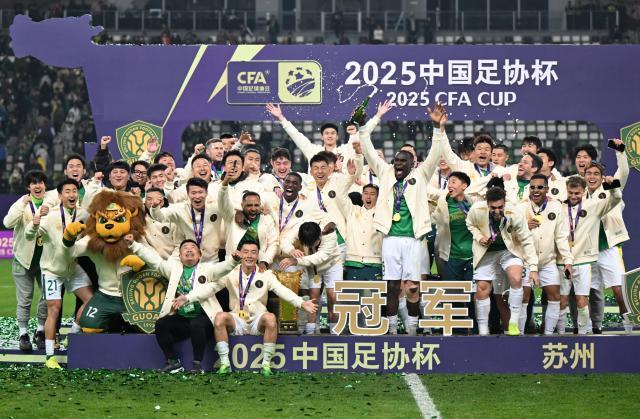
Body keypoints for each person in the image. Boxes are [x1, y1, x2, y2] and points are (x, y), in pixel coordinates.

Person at [357, 100, 442, 334]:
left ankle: (412, 330)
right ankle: (393, 330)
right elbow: (368, 151)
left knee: (412, 287)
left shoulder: (421, 175)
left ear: (413, 163)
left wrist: (437, 128)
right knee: (392, 287)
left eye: (403, 161)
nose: (398, 165)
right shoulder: (385, 173)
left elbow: (435, 154)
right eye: (396, 161)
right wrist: (363, 129)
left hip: (414, 239)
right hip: (391, 238)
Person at [125, 237, 240, 373]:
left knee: (196, 324)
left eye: (193, 247)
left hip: (204, 317)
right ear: (179, 256)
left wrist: (233, 261)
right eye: (185, 248)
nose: (189, 249)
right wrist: (134, 245)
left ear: (199, 255)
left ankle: (197, 365)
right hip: (183, 318)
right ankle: (173, 362)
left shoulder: (207, 269)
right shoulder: (173, 270)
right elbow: (154, 261)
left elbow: (221, 269)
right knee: (161, 324)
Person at [206, 241, 317, 375]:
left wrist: (301, 303)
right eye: (246, 252)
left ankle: (266, 364)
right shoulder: (230, 273)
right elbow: (211, 278)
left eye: (253, 252)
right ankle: (225, 363)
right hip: (237, 319)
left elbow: (281, 290)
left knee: (270, 318)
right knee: (220, 317)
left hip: (257, 320)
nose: (249, 255)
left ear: (258, 255)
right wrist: (189, 298)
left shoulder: (266, 274)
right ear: (240, 254)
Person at [25, 179, 93, 369]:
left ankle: (72, 333)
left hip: (72, 267)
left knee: (91, 301)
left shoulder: (84, 214)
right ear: (60, 195)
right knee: (54, 309)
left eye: (74, 191)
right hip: (52, 270)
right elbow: (29, 236)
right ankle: (50, 357)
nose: (72, 194)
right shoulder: (50, 215)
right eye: (67, 191)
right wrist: (33, 224)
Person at [466, 187, 539, 336]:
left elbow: (526, 239)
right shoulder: (476, 209)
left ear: (505, 203)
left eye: (500, 207)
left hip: (509, 251)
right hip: (486, 253)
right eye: (493, 208)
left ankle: (513, 322)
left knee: (516, 278)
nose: (497, 211)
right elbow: (470, 224)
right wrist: (479, 237)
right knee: (482, 288)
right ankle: (483, 331)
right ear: (487, 203)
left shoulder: (514, 213)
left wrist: (533, 267)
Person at [560, 175, 622, 334]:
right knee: (562, 299)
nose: (573, 196)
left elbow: (615, 200)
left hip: (584, 259)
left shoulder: (594, 206)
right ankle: (557, 334)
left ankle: (584, 332)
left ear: (584, 191)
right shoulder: (559, 207)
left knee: (583, 298)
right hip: (563, 259)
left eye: (577, 193)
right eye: (570, 193)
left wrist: (613, 188)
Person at [582, 150, 632, 334]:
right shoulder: (580, 195)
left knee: (619, 289)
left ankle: (628, 325)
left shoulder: (611, 188)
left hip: (609, 248)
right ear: (584, 176)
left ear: (602, 177)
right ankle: (589, 327)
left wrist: (620, 152)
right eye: (589, 173)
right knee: (588, 291)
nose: (592, 176)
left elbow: (624, 171)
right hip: (588, 250)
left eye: (596, 174)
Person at [517, 174, 573, 335]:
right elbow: (510, 233)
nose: (536, 190)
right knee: (523, 297)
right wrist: (524, 226)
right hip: (526, 262)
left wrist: (568, 261)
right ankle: (520, 335)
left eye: (540, 187)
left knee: (555, 297)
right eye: (532, 187)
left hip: (548, 262)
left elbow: (561, 237)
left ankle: (548, 334)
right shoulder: (520, 207)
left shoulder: (556, 207)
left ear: (547, 189)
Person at [2, 170, 48, 351]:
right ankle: (23, 334)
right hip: (23, 259)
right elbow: (7, 223)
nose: (37, 185)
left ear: (45, 185)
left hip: (46, 260)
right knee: (25, 299)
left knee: (46, 297)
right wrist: (23, 204)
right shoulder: (21, 203)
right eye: (33, 183)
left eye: (40, 182)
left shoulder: (51, 202)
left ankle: (40, 331)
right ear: (28, 187)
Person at [280, 222, 342, 334]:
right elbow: (285, 240)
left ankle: (335, 332)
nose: (310, 247)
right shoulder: (301, 230)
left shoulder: (330, 235)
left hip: (332, 265)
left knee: (333, 297)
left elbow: (320, 257)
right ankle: (310, 332)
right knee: (313, 297)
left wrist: (296, 260)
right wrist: (291, 250)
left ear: (319, 236)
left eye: (313, 244)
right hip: (313, 268)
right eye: (307, 245)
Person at [266, 103, 355, 173]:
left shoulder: (344, 150)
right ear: (322, 137)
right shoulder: (314, 151)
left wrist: (354, 121)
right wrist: (281, 118)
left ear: (337, 136)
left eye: (333, 133)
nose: (330, 136)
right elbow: (296, 135)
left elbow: (356, 142)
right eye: (327, 133)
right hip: (315, 190)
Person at [150, 177, 223, 263]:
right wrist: (155, 207)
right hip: (188, 260)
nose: (197, 196)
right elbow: (160, 217)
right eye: (193, 193)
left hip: (212, 260)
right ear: (188, 194)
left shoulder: (215, 208)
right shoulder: (180, 209)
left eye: (200, 192)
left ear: (206, 193)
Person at [218, 173, 278, 270]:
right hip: (233, 267)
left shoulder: (267, 219)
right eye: (249, 205)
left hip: (257, 267)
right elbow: (222, 202)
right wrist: (225, 184)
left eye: (256, 205)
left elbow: (273, 243)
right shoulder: (231, 216)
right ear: (242, 205)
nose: (253, 209)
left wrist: (265, 262)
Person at [142, 187, 183, 259]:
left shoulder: (173, 218)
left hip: (175, 260)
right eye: (149, 199)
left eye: (157, 199)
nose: (153, 202)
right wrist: (155, 260)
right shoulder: (141, 220)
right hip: (152, 260)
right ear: (144, 202)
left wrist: (172, 261)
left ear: (162, 201)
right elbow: (143, 244)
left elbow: (179, 244)